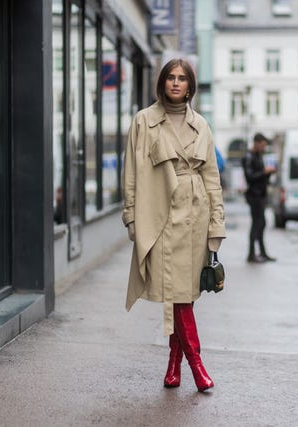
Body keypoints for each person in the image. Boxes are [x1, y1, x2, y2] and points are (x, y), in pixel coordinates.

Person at [121, 58, 225, 392]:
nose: (176, 83)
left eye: (182, 78)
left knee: (185, 295)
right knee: (178, 293)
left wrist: (216, 225)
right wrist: (132, 216)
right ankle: (197, 365)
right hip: (162, 214)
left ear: (191, 86)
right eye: (170, 77)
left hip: (196, 216)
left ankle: (173, 365)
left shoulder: (202, 125)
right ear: (162, 82)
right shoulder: (144, 121)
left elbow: (212, 178)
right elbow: (131, 174)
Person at [242, 132, 276, 263]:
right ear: (256, 143)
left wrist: (268, 173)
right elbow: (250, 177)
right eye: (262, 145)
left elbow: (260, 176)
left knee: (261, 223)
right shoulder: (249, 157)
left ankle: (262, 252)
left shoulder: (258, 156)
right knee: (257, 223)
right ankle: (251, 254)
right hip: (254, 195)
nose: (264, 148)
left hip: (260, 194)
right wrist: (264, 172)